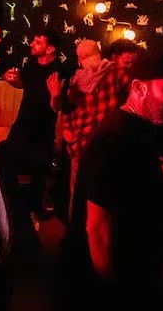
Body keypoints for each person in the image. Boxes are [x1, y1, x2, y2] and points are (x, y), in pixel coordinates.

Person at [68, 51, 163, 308]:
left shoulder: (143, 128)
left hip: (141, 269)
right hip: (121, 281)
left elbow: (136, 185)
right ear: (138, 88)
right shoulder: (116, 137)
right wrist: (114, 288)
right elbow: (97, 226)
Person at [53, 39, 134, 220]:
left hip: (107, 146)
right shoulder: (77, 79)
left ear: (98, 54)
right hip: (81, 144)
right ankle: (75, 231)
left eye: (87, 55)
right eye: (80, 57)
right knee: (77, 194)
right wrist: (68, 133)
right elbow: (66, 109)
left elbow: (134, 98)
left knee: (103, 196)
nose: (83, 60)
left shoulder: (117, 72)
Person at [0, 28, 64, 215]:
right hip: (22, 125)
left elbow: (58, 107)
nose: (32, 44)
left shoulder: (58, 71)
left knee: (39, 174)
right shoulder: (32, 64)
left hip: (43, 131)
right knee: (6, 160)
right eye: (33, 41)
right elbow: (24, 85)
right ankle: (12, 205)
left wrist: (56, 95)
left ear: (50, 49)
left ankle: (35, 209)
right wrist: (12, 80)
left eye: (38, 42)